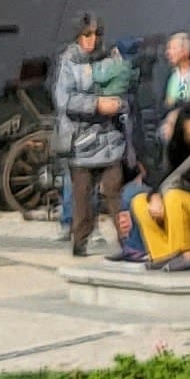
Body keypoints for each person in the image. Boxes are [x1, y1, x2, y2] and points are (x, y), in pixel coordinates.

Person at [49, 17, 132, 255]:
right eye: (87, 35)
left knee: (115, 191)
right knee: (83, 196)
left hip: (109, 139)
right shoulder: (69, 62)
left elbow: (124, 88)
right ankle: (80, 241)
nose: (92, 40)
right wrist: (96, 104)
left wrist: (118, 104)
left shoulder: (108, 58)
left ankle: (128, 241)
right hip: (81, 141)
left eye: (96, 35)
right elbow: (64, 100)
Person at [127, 110, 190, 267]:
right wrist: (155, 197)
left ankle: (185, 253)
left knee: (174, 197)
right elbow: (162, 179)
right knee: (139, 201)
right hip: (180, 206)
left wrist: (167, 193)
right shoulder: (178, 151)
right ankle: (162, 254)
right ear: (183, 137)